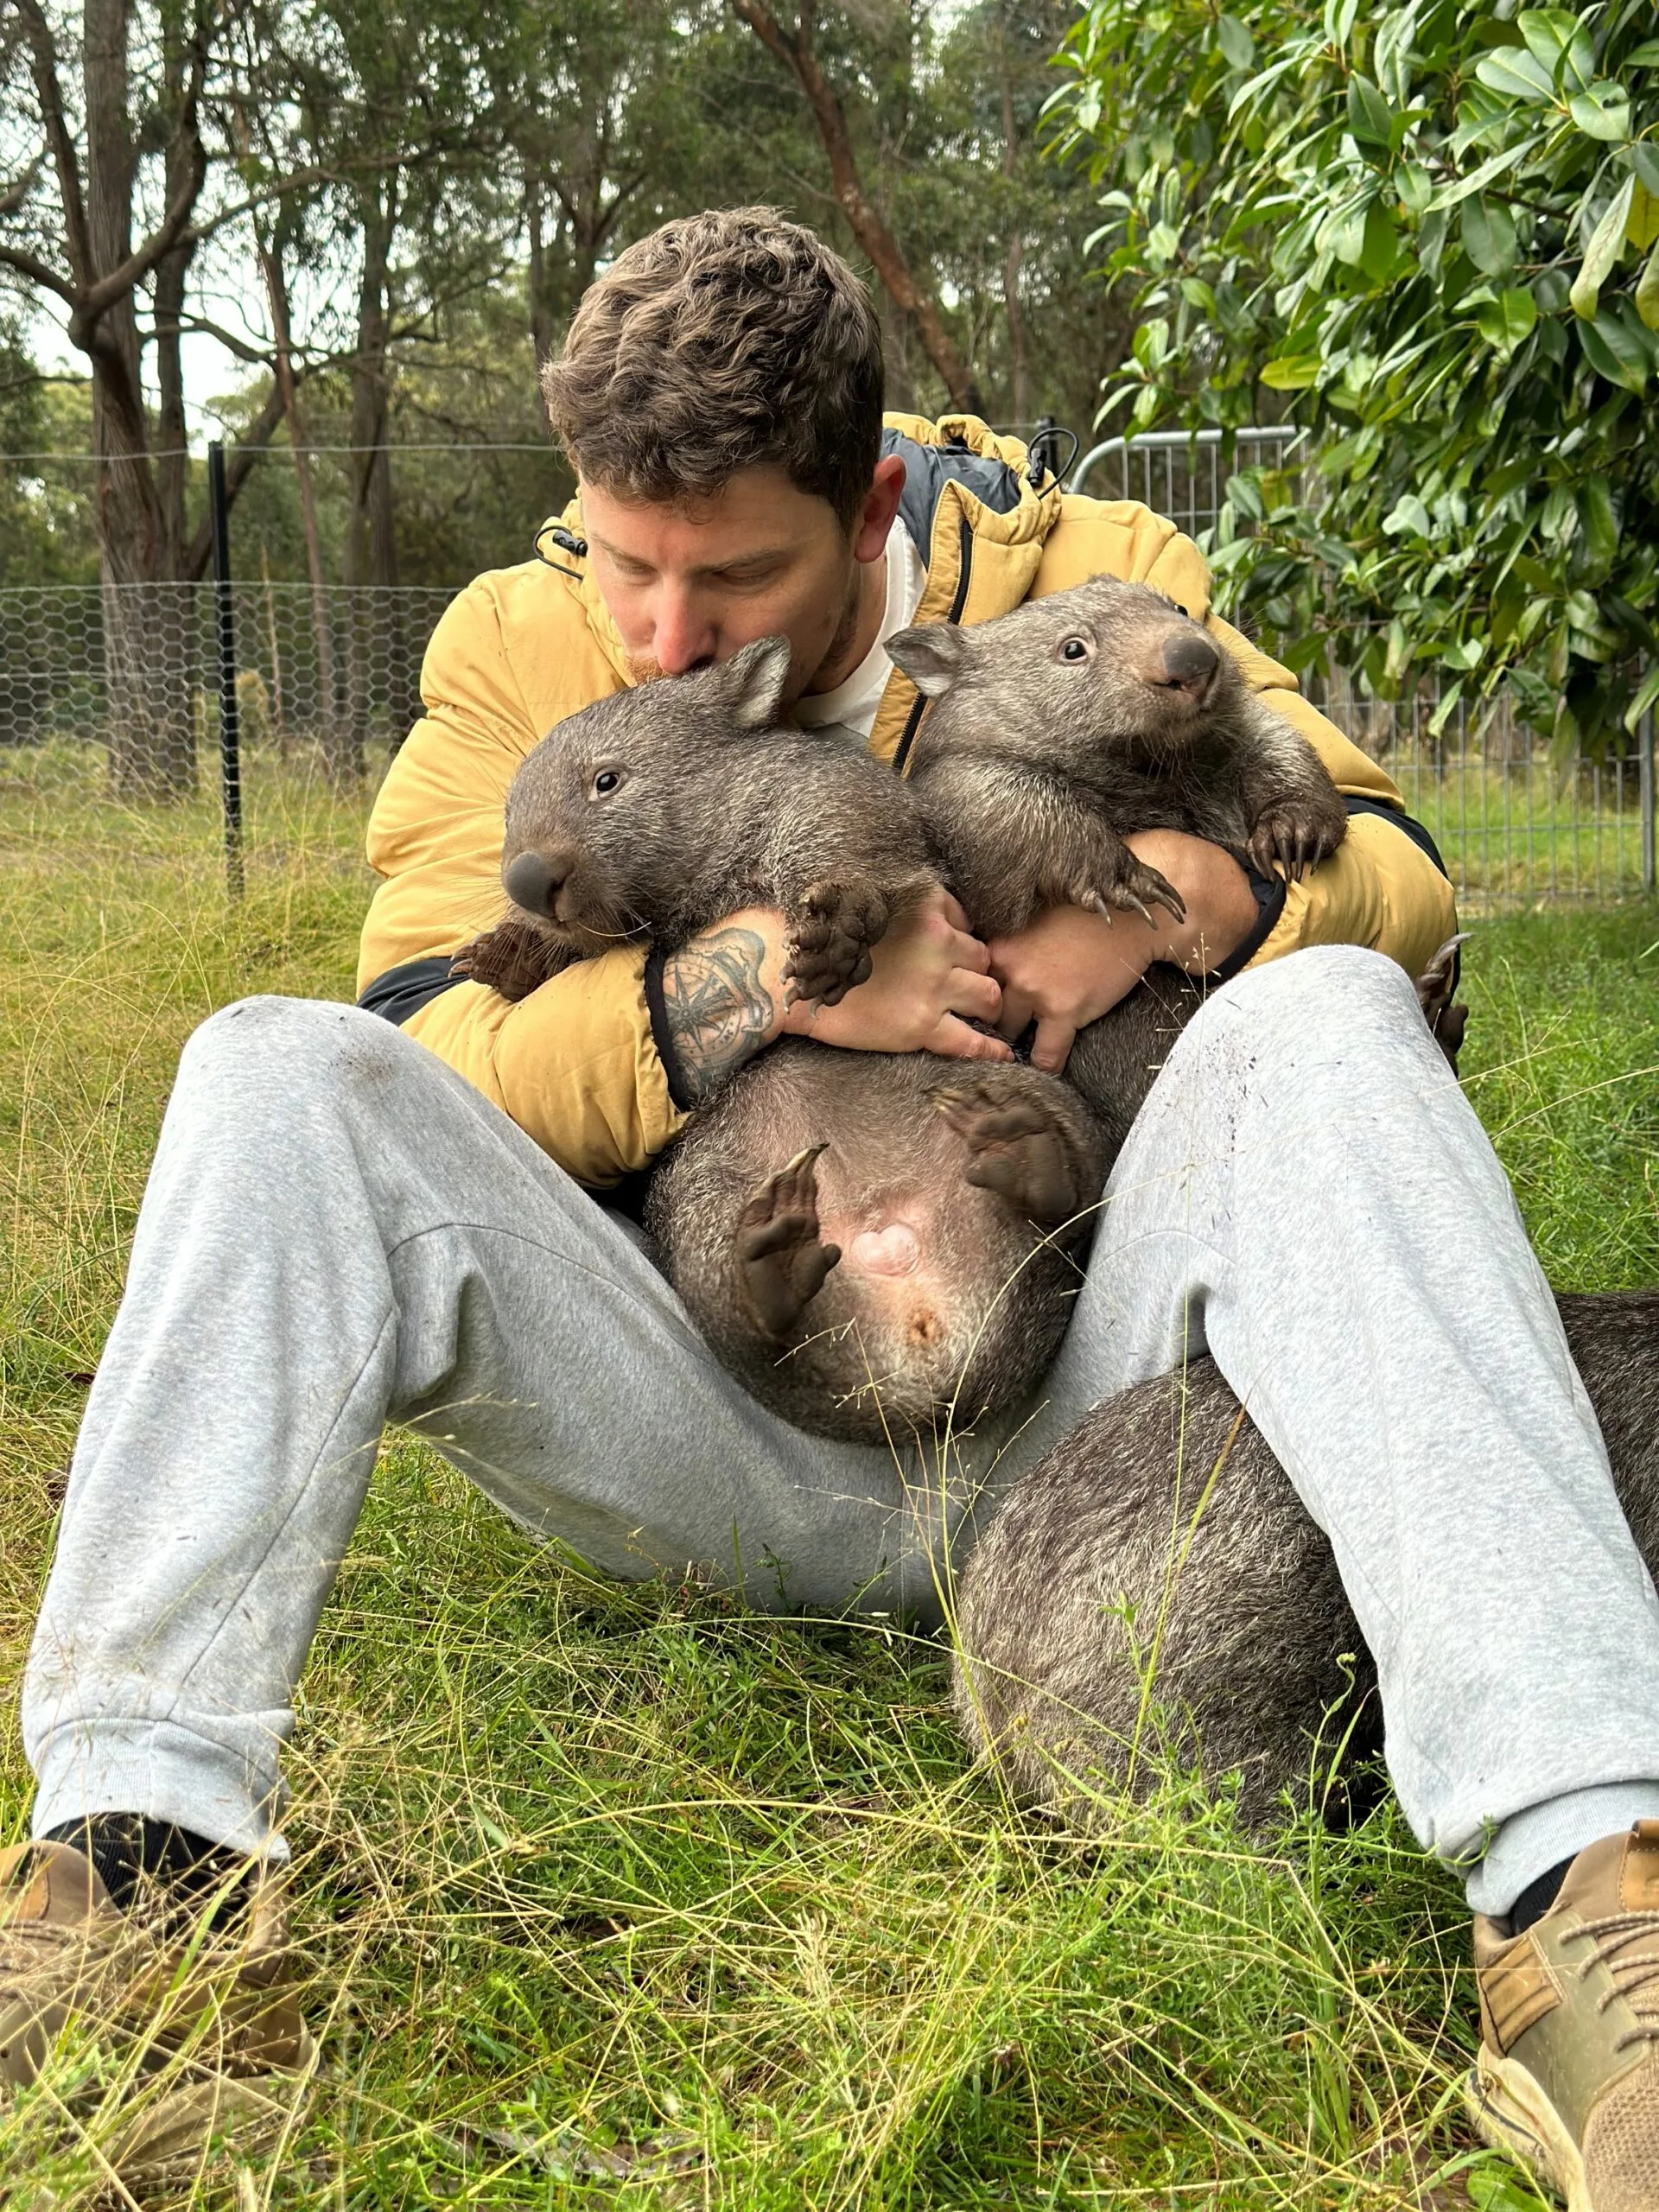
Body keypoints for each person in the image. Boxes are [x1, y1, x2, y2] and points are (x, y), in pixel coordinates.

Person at [3, 207, 1656, 2209]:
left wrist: (1179, 909)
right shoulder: (514, 646)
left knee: (1324, 1012)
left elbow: (1393, 866)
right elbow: (428, 1032)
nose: (662, 634)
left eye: (732, 577)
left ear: (871, 507)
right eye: (625, 562)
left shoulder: (1086, 571)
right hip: (707, 1394)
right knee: (271, 1069)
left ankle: (1581, 1878)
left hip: (1091, 1371)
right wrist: (762, 988)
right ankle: (140, 1849)